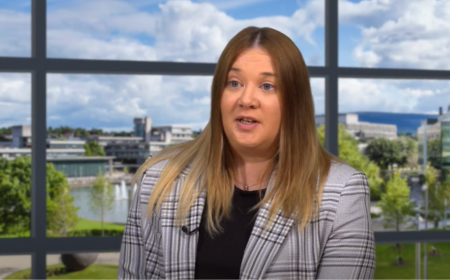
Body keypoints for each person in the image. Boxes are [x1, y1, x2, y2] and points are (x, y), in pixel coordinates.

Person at [118, 26, 375, 279]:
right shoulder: (159, 178)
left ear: (294, 102)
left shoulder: (342, 192)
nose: (246, 99)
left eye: (267, 86)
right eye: (234, 83)